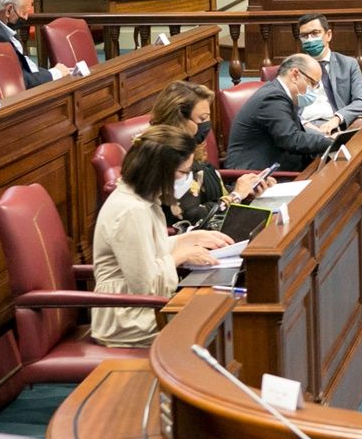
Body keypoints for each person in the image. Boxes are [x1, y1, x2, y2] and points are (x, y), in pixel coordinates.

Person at [91, 125, 234, 347]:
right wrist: (180, 256)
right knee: (220, 319)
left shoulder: (141, 196)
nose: (188, 178)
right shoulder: (131, 211)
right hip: (127, 316)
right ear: (160, 171)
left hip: (138, 306)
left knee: (222, 307)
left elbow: (146, 250)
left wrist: (190, 239)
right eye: (183, 173)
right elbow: (146, 287)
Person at [149, 81, 272, 227]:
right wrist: (237, 196)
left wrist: (248, 192)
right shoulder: (164, 155)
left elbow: (213, 194)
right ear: (179, 119)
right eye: (202, 119)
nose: (207, 124)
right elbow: (190, 216)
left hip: (221, 227)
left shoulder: (191, 148)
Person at [226, 53, 334, 171]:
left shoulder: (280, 93)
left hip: (275, 167)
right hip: (255, 177)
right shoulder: (273, 98)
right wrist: (330, 142)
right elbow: (291, 140)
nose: (314, 90)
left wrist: (325, 139)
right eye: (312, 83)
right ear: (295, 75)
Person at [296, 13, 362, 134]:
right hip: (303, 127)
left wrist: (338, 118)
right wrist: (304, 124)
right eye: (304, 35)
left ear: (328, 35)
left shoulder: (348, 64)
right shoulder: (292, 68)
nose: (310, 39)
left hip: (335, 123)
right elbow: (280, 106)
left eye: (315, 33)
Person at [0, 0, 70, 89]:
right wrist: (54, 73)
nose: (25, 18)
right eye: (24, 12)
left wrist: (52, 72)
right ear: (9, 10)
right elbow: (18, 80)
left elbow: (26, 66)